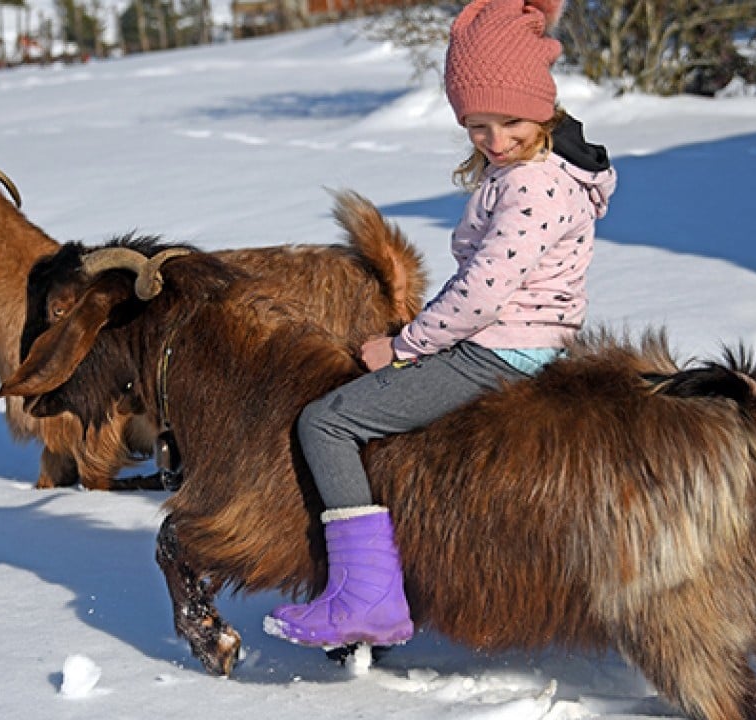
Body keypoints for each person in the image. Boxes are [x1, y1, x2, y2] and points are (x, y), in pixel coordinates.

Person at [263, 0, 617, 649]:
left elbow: (483, 293)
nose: (494, 140)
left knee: (328, 421)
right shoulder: (532, 171)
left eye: (510, 121)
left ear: (543, 107)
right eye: (476, 125)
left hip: (499, 352)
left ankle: (367, 598)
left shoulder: (531, 186)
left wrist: (404, 346)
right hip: (514, 343)